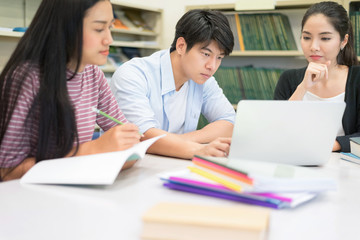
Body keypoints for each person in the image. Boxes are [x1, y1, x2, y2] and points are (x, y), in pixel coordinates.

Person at [0, 0, 141, 181]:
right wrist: (93, 149)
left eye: (110, 27)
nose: (109, 39)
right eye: (99, 29)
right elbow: (7, 172)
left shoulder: (92, 74)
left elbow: (124, 136)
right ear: (66, 28)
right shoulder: (28, 78)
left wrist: (128, 145)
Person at [110, 9, 235, 159]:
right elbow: (142, 135)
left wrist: (181, 141)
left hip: (174, 164)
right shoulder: (133, 75)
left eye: (219, 57)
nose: (212, 66)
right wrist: (194, 148)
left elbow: (229, 122)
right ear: (181, 46)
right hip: (129, 169)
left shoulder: (203, 79)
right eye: (206, 54)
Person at [274, 1, 360, 152]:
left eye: (325, 38)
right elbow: (275, 130)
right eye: (307, 37)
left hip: (345, 168)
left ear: (343, 41)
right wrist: (302, 88)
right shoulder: (288, 79)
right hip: (294, 163)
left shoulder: (357, 79)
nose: (313, 46)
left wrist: (328, 145)